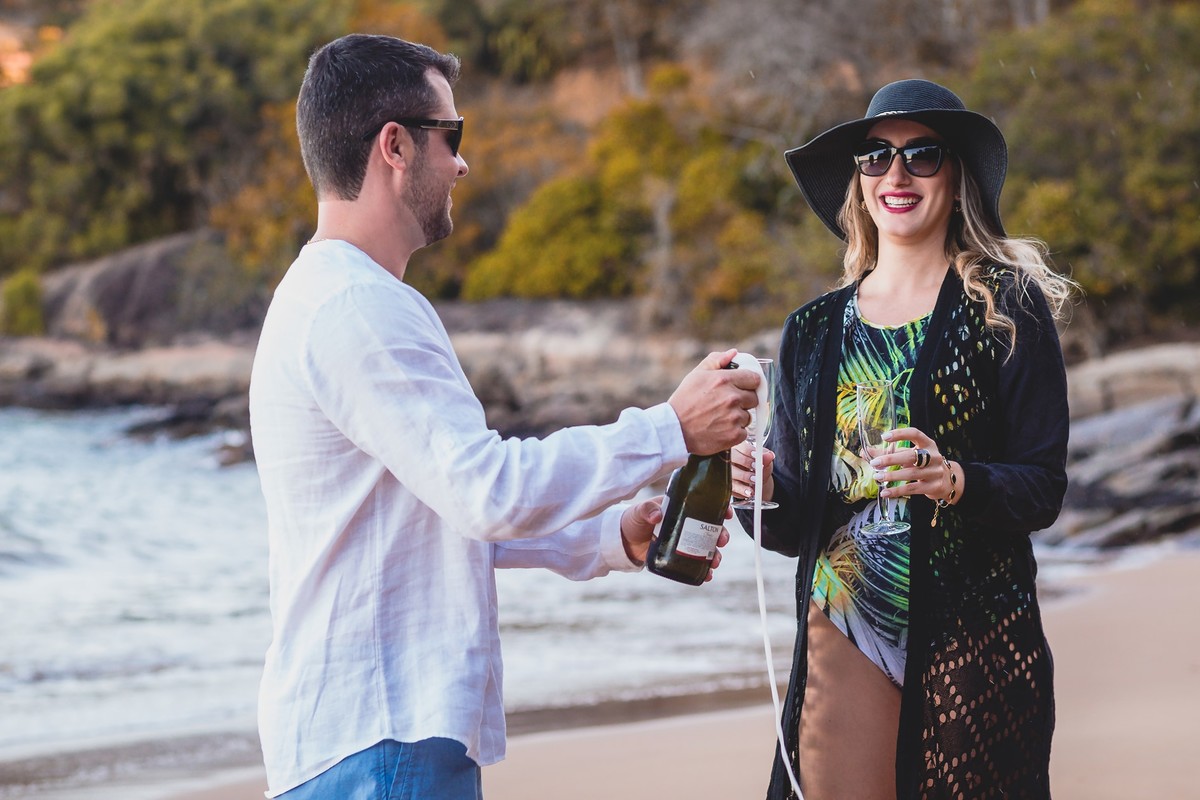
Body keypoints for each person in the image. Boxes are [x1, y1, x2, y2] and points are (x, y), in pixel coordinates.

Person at [248, 33, 760, 799]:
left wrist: (608, 538)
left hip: (366, 735)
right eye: (451, 136)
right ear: (395, 145)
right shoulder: (357, 307)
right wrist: (670, 430)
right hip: (385, 737)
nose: (461, 163)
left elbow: (433, 519)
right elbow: (485, 491)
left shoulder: (333, 297)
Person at [732, 79, 1076, 799]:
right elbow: (797, 520)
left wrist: (954, 479)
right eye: (876, 156)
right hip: (842, 625)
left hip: (971, 632)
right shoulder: (814, 329)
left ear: (957, 176)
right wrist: (759, 491)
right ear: (858, 182)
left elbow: (1042, 487)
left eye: (922, 155)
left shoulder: (1009, 307)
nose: (897, 175)